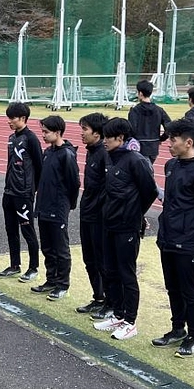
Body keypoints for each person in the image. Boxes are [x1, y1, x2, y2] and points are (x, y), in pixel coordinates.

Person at [151, 119, 194, 357]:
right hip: (168, 237)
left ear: (188, 142)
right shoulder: (170, 165)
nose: (169, 143)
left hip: (188, 241)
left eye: (173, 139)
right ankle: (177, 328)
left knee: (190, 290)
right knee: (172, 287)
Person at [92, 118, 157, 341]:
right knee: (110, 270)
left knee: (126, 273)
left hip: (127, 227)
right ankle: (118, 314)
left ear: (120, 138)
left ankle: (130, 321)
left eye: (108, 137)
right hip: (109, 223)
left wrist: (136, 214)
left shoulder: (136, 161)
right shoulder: (110, 158)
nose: (104, 141)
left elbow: (149, 191)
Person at [31, 115, 79, 301]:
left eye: (46, 132)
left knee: (61, 248)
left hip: (58, 208)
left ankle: (62, 284)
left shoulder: (66, 155)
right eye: (42, 131)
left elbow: (73, 182)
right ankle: (51, 279)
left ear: (57, 132)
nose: (43, 135)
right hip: (44, 206)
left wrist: (67, 205)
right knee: (47, 247)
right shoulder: (48, 152)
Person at [0, 102, 42, 282]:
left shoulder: (31, 139)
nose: (9, 121)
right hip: (9, 192)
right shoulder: (11, 138)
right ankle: (14, 265)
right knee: (10, 229)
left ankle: (33, 267)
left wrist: (33, 190)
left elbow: (39, 166)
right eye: (8, 118)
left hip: (24, 193)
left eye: (12, 118)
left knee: (28, 230)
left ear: (23, 118)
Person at [75, 112, 110, 317]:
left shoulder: (105, 154)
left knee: (101, 260)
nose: (82, 134)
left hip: (99, 216)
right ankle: (98, 297)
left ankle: (109, 301)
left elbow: (107, 188)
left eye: (85, 130)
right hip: (87, 212)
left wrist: (101, 210)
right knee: (89, 259)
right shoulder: (90, 152)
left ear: (97, 133)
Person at [128, 79, 170, 165]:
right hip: (154, 147)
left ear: (140, 93)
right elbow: (170, 127)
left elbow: (131, 129)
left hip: (139, 146)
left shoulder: (135, 111)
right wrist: (161, 138)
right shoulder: (159, 110)